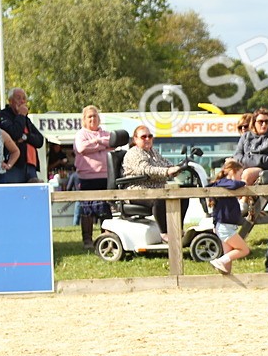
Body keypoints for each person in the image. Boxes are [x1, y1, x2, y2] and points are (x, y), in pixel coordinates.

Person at [121, 125, 187, 241]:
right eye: (143, 137)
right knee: (159, 199)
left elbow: (166, 163)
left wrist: (178, 167)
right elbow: (147, 169)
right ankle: (164, 233)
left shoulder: (153, 152)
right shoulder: (134, 153)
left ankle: (177, 229)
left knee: (184, 194)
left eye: (150, 136)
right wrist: (167, 171)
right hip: (138, 191)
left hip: (156, 190)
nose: (147, 139)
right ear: (135, 139)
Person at [73, 105, 113, 250]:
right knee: (86, 210)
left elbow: (112, 143)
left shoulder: (106, 133)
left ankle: (107, 239)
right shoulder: (80, 134)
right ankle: (87, 240)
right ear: (84, 119)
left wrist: (96, 143)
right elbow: (81, 148)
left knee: (106, 209)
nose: (92, 119)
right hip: (87, 178)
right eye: (89, 116)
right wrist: (101, 143)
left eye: (95, 116)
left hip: (106, 176)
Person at [207, 158, 251, 274]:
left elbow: (216, 210)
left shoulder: (224, 185)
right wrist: (244, 182)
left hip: (226, 226)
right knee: (244, 249)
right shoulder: (222, 183)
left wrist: (214, 224)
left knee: (227, 264)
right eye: (240, 174)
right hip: (225, 227)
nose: (240, 178)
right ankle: (219, 261)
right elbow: (235, 184)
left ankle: (225, 277)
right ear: (232, 171)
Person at [0, 87, 46, 183]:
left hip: (31, 165)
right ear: (10, 101)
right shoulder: (3, 115)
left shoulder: (26, 119)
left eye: (24, 98)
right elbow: (15, 133)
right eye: (18, 98)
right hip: (14, 166)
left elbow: (40, 140)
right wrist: (21, 115)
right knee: (15, 191)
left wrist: (25, 137)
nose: (22, 101)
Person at [233, 107, 268, 186]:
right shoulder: (245, 137)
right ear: (254, 122)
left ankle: (244, 194)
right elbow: (237, 155)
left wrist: (258, 160)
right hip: (245, 167)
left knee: (248, 174)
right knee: (230, 171)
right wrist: (248, 161)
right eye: (261, 122)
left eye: (267, 122)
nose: (264, 124)